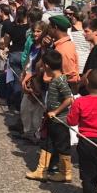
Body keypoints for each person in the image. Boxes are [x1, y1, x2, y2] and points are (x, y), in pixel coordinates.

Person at [26, 50, 73, 182]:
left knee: (62, 146)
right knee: (47, 143)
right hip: (52, 119)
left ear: (46, 65)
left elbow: (69, 99)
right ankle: (42, 171)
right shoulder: (54, 79)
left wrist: (56, 111)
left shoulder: (60, 80)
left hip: (60, 120)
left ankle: (65, 172)